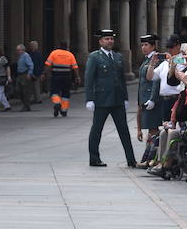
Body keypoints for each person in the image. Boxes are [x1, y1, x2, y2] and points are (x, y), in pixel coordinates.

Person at [84, 28, 136, 168]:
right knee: (97, 130)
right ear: (100, 41)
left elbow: (121, 79)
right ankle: (94, 158)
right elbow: (89, 79)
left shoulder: (118, 56)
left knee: (124, 130)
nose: (110, 41)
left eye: (111, 39)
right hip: (102, 99)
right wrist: (89, 99)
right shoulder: (95, 57)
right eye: (107, 39)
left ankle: (131, 159)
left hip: (117, 99)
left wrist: (125, 98)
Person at [135, 35, 161, 144]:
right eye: (142, 45)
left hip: (150, 99)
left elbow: (156, 80)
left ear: (153, 46)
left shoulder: (155, 59)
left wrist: (153, 99)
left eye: (146, 45)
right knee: (149, 129)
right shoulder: (147, 59)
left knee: (153, 129)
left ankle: (151, 157)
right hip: (144, 98)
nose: (143, 47)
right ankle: (149, 156)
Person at [43, 42, 78, 117]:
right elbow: (75, 67)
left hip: (56, 76)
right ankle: (64, 110)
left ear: (59, 46)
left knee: (54, 92)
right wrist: (77, 77)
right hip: (66, 76)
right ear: (66, 47)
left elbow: (47, 64)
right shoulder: (70, 54)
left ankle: (57, 102)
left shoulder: (54, 53)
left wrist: (44, 73)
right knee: (65, 93)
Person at [13, 44, 35, 112]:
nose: (17, 51)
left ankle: (26, 105)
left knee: (25, 91)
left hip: (24, 74)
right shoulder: (20, 56)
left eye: (18, 50)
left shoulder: (26, 56)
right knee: (18, 90)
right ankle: (26, 104)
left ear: (22, 50)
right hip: (19, 75)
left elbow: (31, 65)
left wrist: (29, 74)